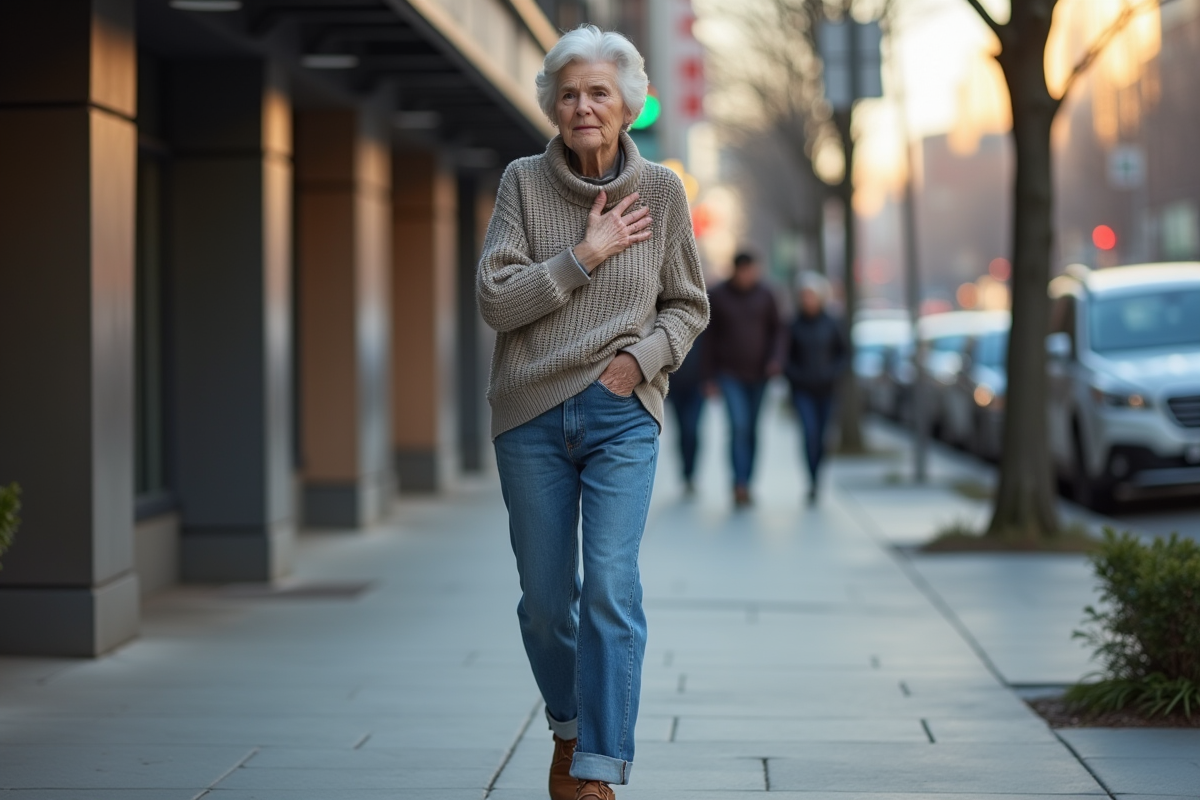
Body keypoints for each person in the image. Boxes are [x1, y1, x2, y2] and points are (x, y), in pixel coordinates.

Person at [476, 25, 708, 800]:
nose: (583, 106)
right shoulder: (521, 184)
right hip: (531, 416)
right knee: (546, 607)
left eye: (599, 92)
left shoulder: (665, 192)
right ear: (553, 102)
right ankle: (569, 730)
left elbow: (687, 306)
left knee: (610, 586)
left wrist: (640, 362)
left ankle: (599, 772)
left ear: (628, 105)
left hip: (620, 412)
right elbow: (496, 300)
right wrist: (586, 254)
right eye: (569, 92)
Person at [704, 252, 783, 507]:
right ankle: (738, 483)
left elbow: (779, 331)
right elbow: (707, 340)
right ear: (736, 271)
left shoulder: (766, 295)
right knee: (738, 426)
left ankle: (748, 482)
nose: (748, 276)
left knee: (752, 429)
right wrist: (708, 377)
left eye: (752, 271)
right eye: (744, 271)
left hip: (760, 375)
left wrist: (776, 360)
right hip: (729, 374)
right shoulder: (718, 296)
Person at [783, 272, 848, 503]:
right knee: (809, 433)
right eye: (804, 296)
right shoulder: (793, 325)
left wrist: (833, 373)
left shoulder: (832, 323)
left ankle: (818, 475)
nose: (808, 300)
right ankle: (811, 480)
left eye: (811, 295)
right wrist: (795, 376)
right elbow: (785, 358)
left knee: (823, 438)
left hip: (827, 390)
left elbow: (844, 354)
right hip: (803, 390)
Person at [667, 329, 707, 495]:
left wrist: (709, 378)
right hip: (674, 385)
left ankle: (691, 473)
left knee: (692, 428)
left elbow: (710, 349)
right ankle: (685, 472)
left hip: (697, 385)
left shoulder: (702, 318)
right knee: (682, 430)